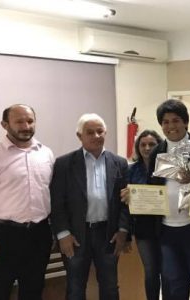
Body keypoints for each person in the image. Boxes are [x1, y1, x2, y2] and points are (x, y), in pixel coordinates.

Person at [50, 113, 130, 299]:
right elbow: (57, 202)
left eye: (100, 131)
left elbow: (126, 201)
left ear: (105, 133)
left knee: (110, 287)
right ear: (80, 136)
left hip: (108, 234)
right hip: (76, 235)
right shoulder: (64, 164)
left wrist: (123, 230)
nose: (96, 136)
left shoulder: (119, 163)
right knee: (75, 288)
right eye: (90, 132)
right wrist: (63, 234)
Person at [146, 99, 190, 300]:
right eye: (166, 122)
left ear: (185, 122)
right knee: (174, 283)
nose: (171, 126)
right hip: (167, 230)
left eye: (176, 120)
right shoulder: (156, 152)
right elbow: (152, 188)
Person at [0, 104, 55, 300]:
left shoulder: (46, 153)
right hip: (4, 236)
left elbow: (51, 192)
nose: (26, 126)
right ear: (4, 124)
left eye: (29, 121)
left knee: (34, 289)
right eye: (19, 121)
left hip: (39, 234)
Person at [121, 129, 163, 300]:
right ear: (137, 147)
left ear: (159, 146)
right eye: (143, 144)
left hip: (167, 227)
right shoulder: (131, 170)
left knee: (168, 272)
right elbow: (126, 205)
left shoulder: (166, 168)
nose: (147, 148)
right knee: (151, 272)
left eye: (152, 144)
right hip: (143, 229)